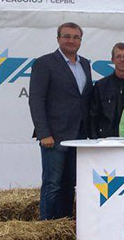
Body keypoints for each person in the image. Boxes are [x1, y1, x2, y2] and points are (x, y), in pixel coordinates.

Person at [28, 22, 93, 220]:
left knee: (70, 184)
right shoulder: (44, 63)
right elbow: (36, 100)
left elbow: (83, 99)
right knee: (52, 184)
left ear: (80, 41)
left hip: (78, 136)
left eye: (76, 37)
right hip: (54, 137)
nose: (71, 40)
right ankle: (47, 227)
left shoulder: (85, 64)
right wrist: (44, 133)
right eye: (67, 36)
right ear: (58, 39)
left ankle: (64, 224)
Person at [90, 42, 124, 138]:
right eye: (118, 56)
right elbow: (93, 115)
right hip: (105, 141)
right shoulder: (100, 86)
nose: (122, 59)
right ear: (112, 60)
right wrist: (94, 139)